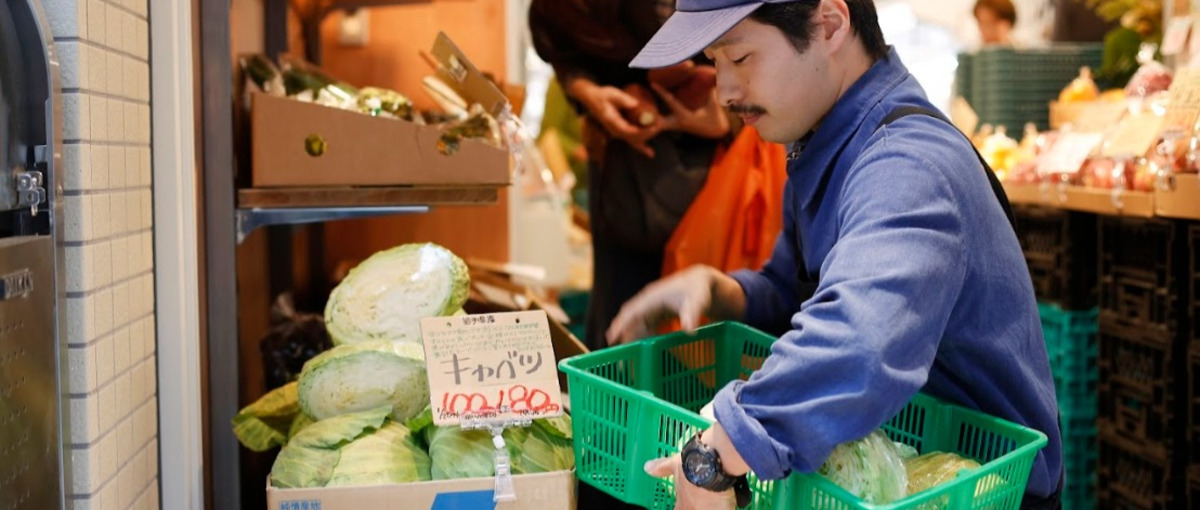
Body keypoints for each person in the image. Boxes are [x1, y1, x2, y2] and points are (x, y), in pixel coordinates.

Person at [607, 1, 1064, 509]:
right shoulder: (822, 144)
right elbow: (798, 290)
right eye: (715, 62)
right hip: (891, 469)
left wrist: (718, 452)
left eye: (740, 58)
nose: (725, 91)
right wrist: (725, 292)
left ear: (829, 25)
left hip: (978, 490)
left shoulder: (906, 164)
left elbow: (859, 342)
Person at [527, 1, 735, 508]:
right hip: (626, 195)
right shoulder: (567, 12)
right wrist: (590, 96)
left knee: (695, 361)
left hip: (704, 194)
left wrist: (723, 117)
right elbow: (558, 42)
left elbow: (759, 64)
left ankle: (691, 475)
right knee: (620, 355)